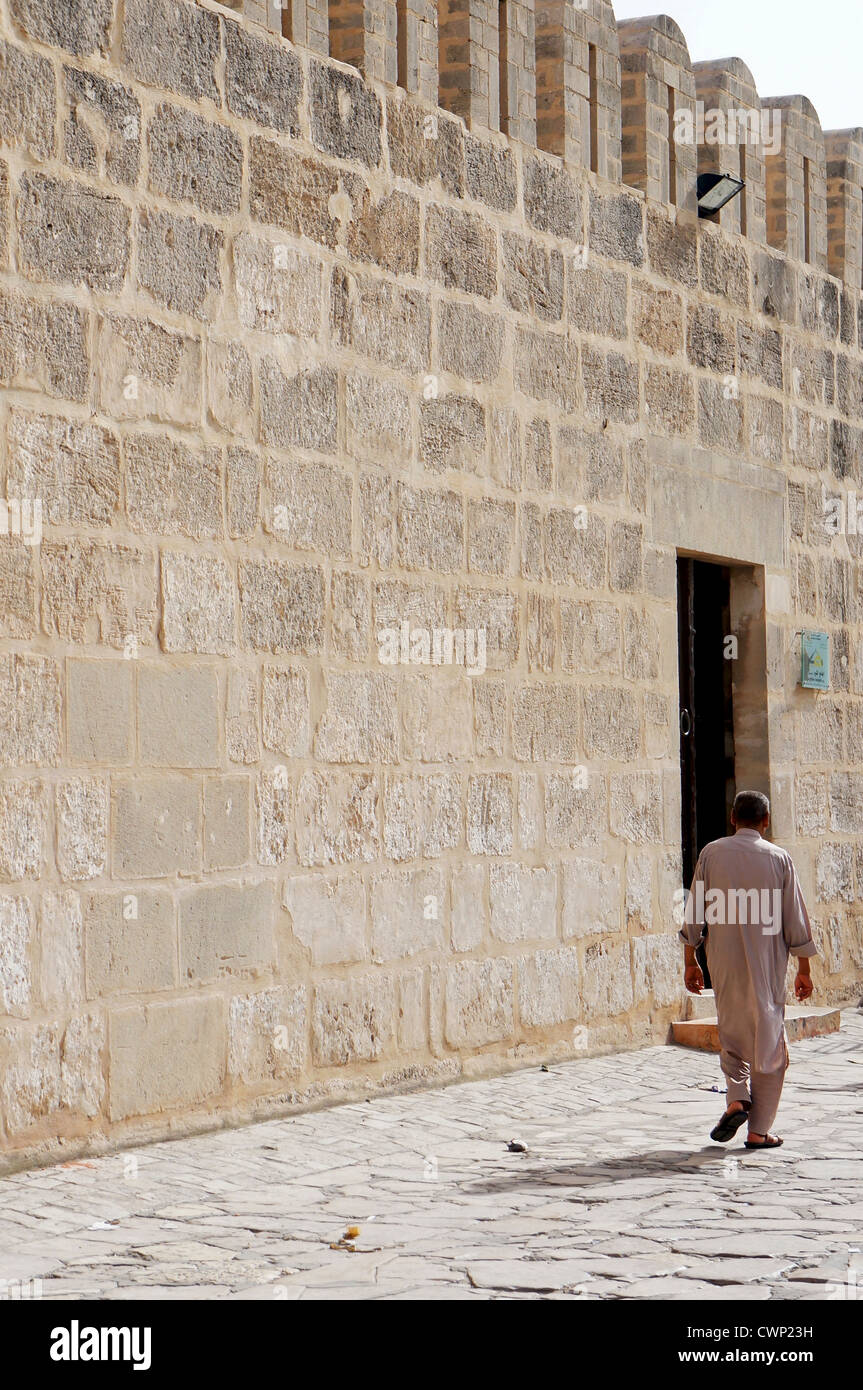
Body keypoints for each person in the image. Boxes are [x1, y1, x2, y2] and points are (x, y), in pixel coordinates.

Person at [680, 790, 817, 1150]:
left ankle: (737, 1098)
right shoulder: (779, 859)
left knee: (733, 1033)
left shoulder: (711, 853)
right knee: (769, 1047)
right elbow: (794, 918)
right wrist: (804, 968)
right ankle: (758, 1131)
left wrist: (690, 959)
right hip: (766, 965)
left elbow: (695, 909)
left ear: (732, 818)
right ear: (766, 821)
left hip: (723, 962)